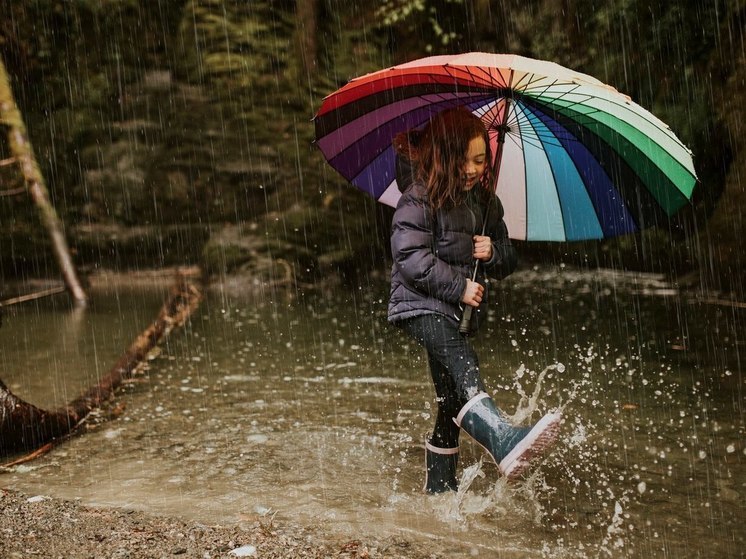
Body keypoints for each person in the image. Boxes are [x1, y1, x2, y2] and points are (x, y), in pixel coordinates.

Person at [387, 107, 561, 493]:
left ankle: (439, 492)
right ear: (445, 157)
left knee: (450, 400)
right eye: (463, 160)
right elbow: (410, 258)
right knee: (462, 362)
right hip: (418, 306)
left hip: (454, 311)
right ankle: (501, 437)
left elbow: (508, 259)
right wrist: (460, 287)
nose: (472, 169)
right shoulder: (418, 197)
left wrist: (493, 252)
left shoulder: (485, 202)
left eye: (480, 160)